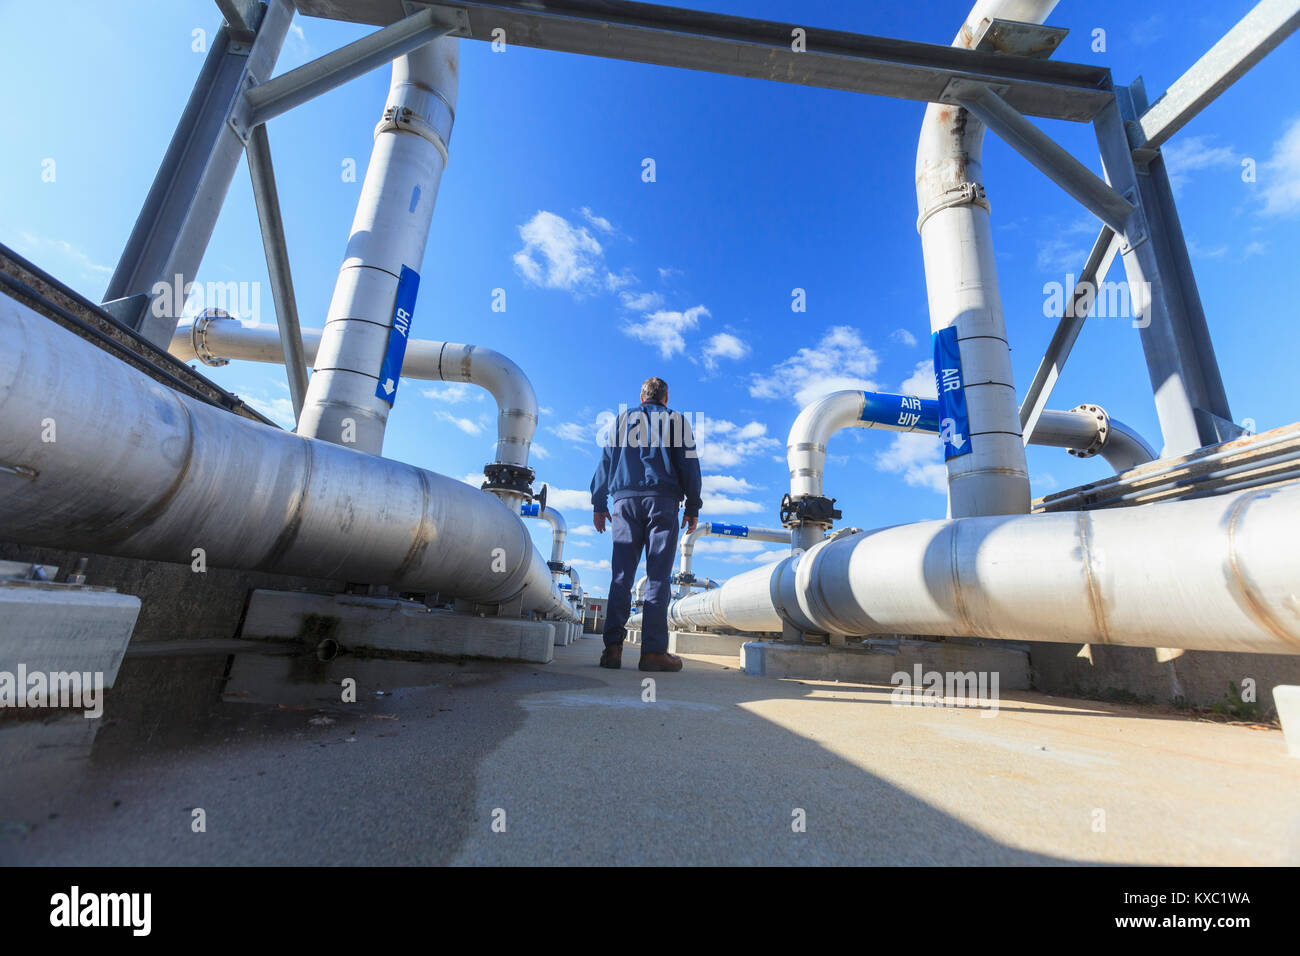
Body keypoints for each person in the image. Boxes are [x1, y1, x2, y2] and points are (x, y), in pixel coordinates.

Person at [590, 376, 702, 672]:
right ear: (665, 398)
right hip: (662, 503)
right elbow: (690, 465)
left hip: (624, 502)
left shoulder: (621, 420)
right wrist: (693, 506)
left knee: (621, 576)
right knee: (657, 577)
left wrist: (599, 504)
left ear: (642, 396)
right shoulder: (677, 421)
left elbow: (605, 463)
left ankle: (612, 651)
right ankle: (653, 653)